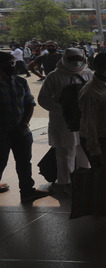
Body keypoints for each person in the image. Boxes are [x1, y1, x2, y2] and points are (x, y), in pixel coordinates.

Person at [38, 48, 92, 195]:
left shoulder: (88, 74)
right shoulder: (55, 76)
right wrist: (63, 109)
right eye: (72, 59)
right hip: (63, 122)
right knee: (66, 153)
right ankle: (66, 183)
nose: (76, 62)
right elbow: (43, 99)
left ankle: (83, 180)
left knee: (85, 151)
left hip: (84, 120)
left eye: (78, 59)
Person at [0, 52, 50, 203]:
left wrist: (24, 125)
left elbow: (29, 103)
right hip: (2, 133)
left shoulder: (20, 81)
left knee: (24, 162)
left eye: (13, 63)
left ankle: (27, 190)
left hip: (22, 131)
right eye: (10, 64)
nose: (13, 67)